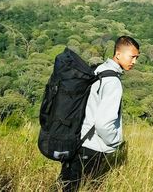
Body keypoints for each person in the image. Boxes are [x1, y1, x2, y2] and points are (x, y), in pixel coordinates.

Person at [59, 36, 140, 191]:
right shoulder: (113, 82)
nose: (134, 62)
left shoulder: (99, 70)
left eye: (136, 57)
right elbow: (103, 123)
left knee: (67, 185)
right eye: (132, 57)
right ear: (118, 54)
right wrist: (115, 141)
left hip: (78, 139)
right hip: (94, 146)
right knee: (87, 187)